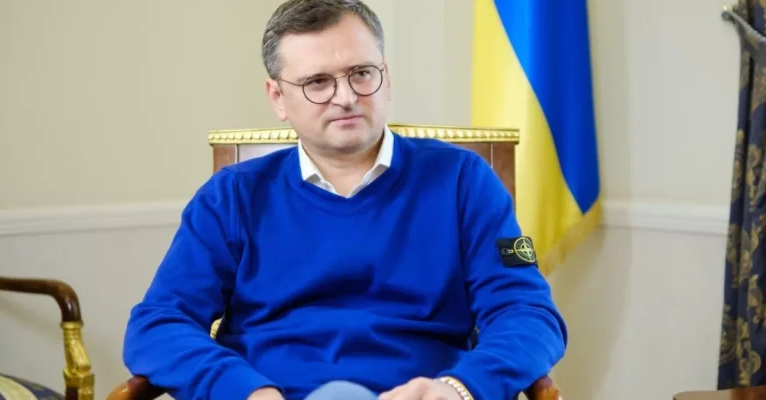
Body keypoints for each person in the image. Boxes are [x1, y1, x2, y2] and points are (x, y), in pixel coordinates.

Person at [121, 1, 567, 399]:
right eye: (318, 82)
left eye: (361, 73)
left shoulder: (466, 181)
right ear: (278, 97)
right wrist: (246, 391)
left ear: (386, 77)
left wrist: (460, 389)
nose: (347, 97)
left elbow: (529, 312)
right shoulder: (230, 197)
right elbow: (158, 325)